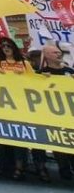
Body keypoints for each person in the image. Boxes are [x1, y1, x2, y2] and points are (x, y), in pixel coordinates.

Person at [0, 36, 32, 180]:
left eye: (8, 45)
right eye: (3, 46)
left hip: (22, 104)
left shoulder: (25, 63)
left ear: (14, 47)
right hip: (5, 105)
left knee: (20, 136)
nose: (6, 48)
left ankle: (20, 166)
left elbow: (34, 81)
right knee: (7, 136)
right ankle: (9, 165)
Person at [34, 44, 74, 181]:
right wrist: (41, 80)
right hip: (51, 115)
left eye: (59, 52)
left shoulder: (69, 71)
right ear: (46, 55)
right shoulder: (41, 74)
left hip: (69, 114)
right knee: (58, 141)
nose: (59, 54)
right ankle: (64, 169)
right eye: (55, 52)